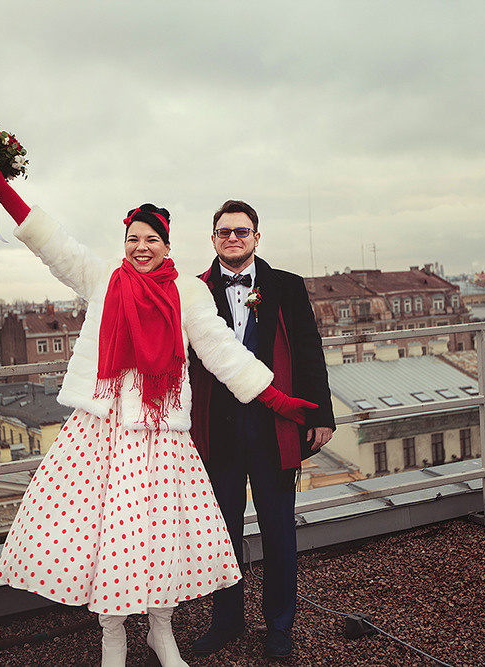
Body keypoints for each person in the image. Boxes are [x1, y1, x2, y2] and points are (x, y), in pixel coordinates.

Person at [0, 166, 316, 667]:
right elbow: (54, 245)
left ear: (167, 244)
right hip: (104, 435)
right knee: (105, 541)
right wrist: (2, 189)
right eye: (133, 238)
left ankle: (162, 633)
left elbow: (222, 351)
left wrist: (277, 398)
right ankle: (111, 638)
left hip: (163, 437)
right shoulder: (104, 279)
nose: (141, 247)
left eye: (151, 239)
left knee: (160, 538)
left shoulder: (188, 293)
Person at [189, 200, 336, 659]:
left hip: (275, 426)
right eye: (224, 232)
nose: (233, 238)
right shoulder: (192, 291)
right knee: (222, 533)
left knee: (278, 531)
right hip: (218, 428)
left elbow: (309, 349)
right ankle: (227, 621)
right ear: (213, 239)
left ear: (257, 237)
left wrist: (321, 415)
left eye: (242, 231)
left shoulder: (286, 286)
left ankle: (279, 625)